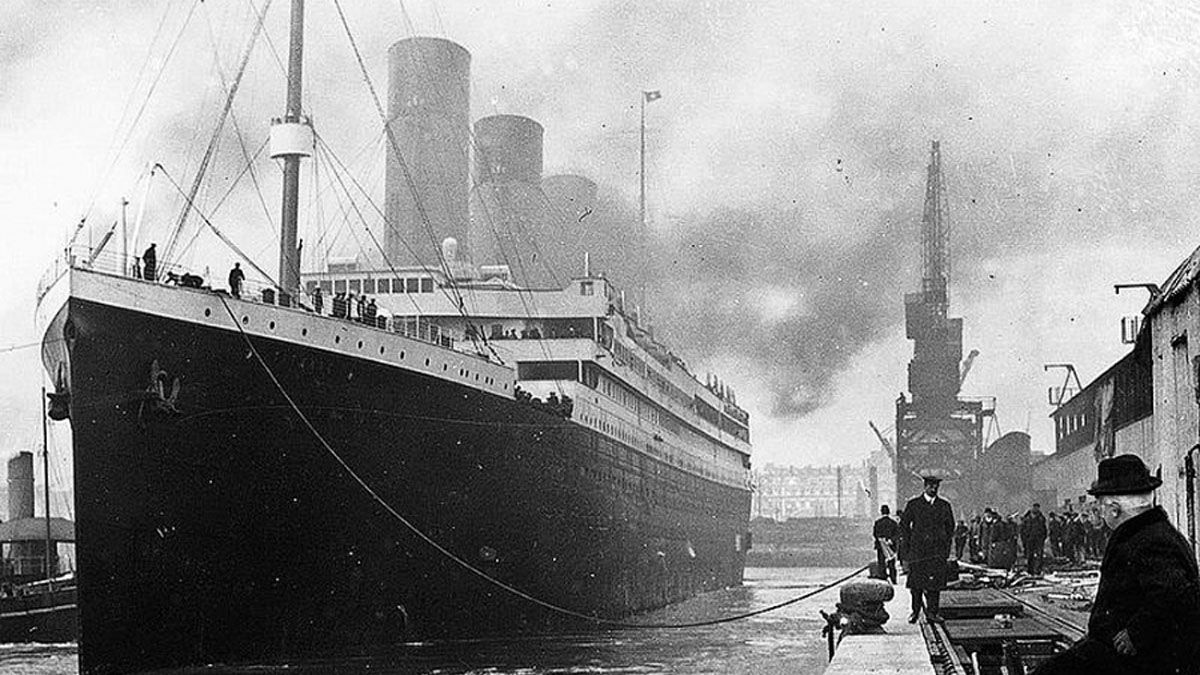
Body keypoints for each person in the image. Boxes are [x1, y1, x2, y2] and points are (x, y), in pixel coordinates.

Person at [1034, 455, 1200, 675]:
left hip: (1141, 661)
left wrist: (1136, 633)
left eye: (1100, 506)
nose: (1100, 513)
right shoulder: (1150, 534)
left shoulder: (1149, 541)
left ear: (1114, 509)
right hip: (1126, 652)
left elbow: (1175, 592)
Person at [899, 475, 955, 624]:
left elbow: (950, 527)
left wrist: (945, 545)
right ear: (925, 487)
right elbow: (904, 525)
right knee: (916, 585)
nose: (934, 489)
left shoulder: (944, 505)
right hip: (918, 552)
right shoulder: (914, 504)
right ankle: (915, 612)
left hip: (936, 552)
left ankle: (932, 613)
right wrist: (910, 544)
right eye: (931, 486)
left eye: (936, 486)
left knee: (935, 585)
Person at [873, 505, 900, 584]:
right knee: (892, 564)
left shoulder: (878, 522)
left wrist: (881, 540)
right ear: (889, 512)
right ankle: (893, 579)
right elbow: (897, 534)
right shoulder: (893, 523)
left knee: (881, 563)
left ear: (881, 512)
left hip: (881, 546)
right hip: (891, 546)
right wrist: (891, 540)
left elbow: (875, 534)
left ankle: (883, 578)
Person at [1021, 503, 1048, 575]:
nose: (1036, 509)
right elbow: (1022, 530)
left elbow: (1044, 530)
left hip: (1038, 540)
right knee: (1030, 555)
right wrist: (1024, 540)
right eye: (1035, 507)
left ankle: (1037, 571)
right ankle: (1030, 570)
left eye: (1037, 508)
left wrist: (1042, 538)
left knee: (1039, 556)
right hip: (1029, 540)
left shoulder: (1041, 518)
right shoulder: (1026, 518)